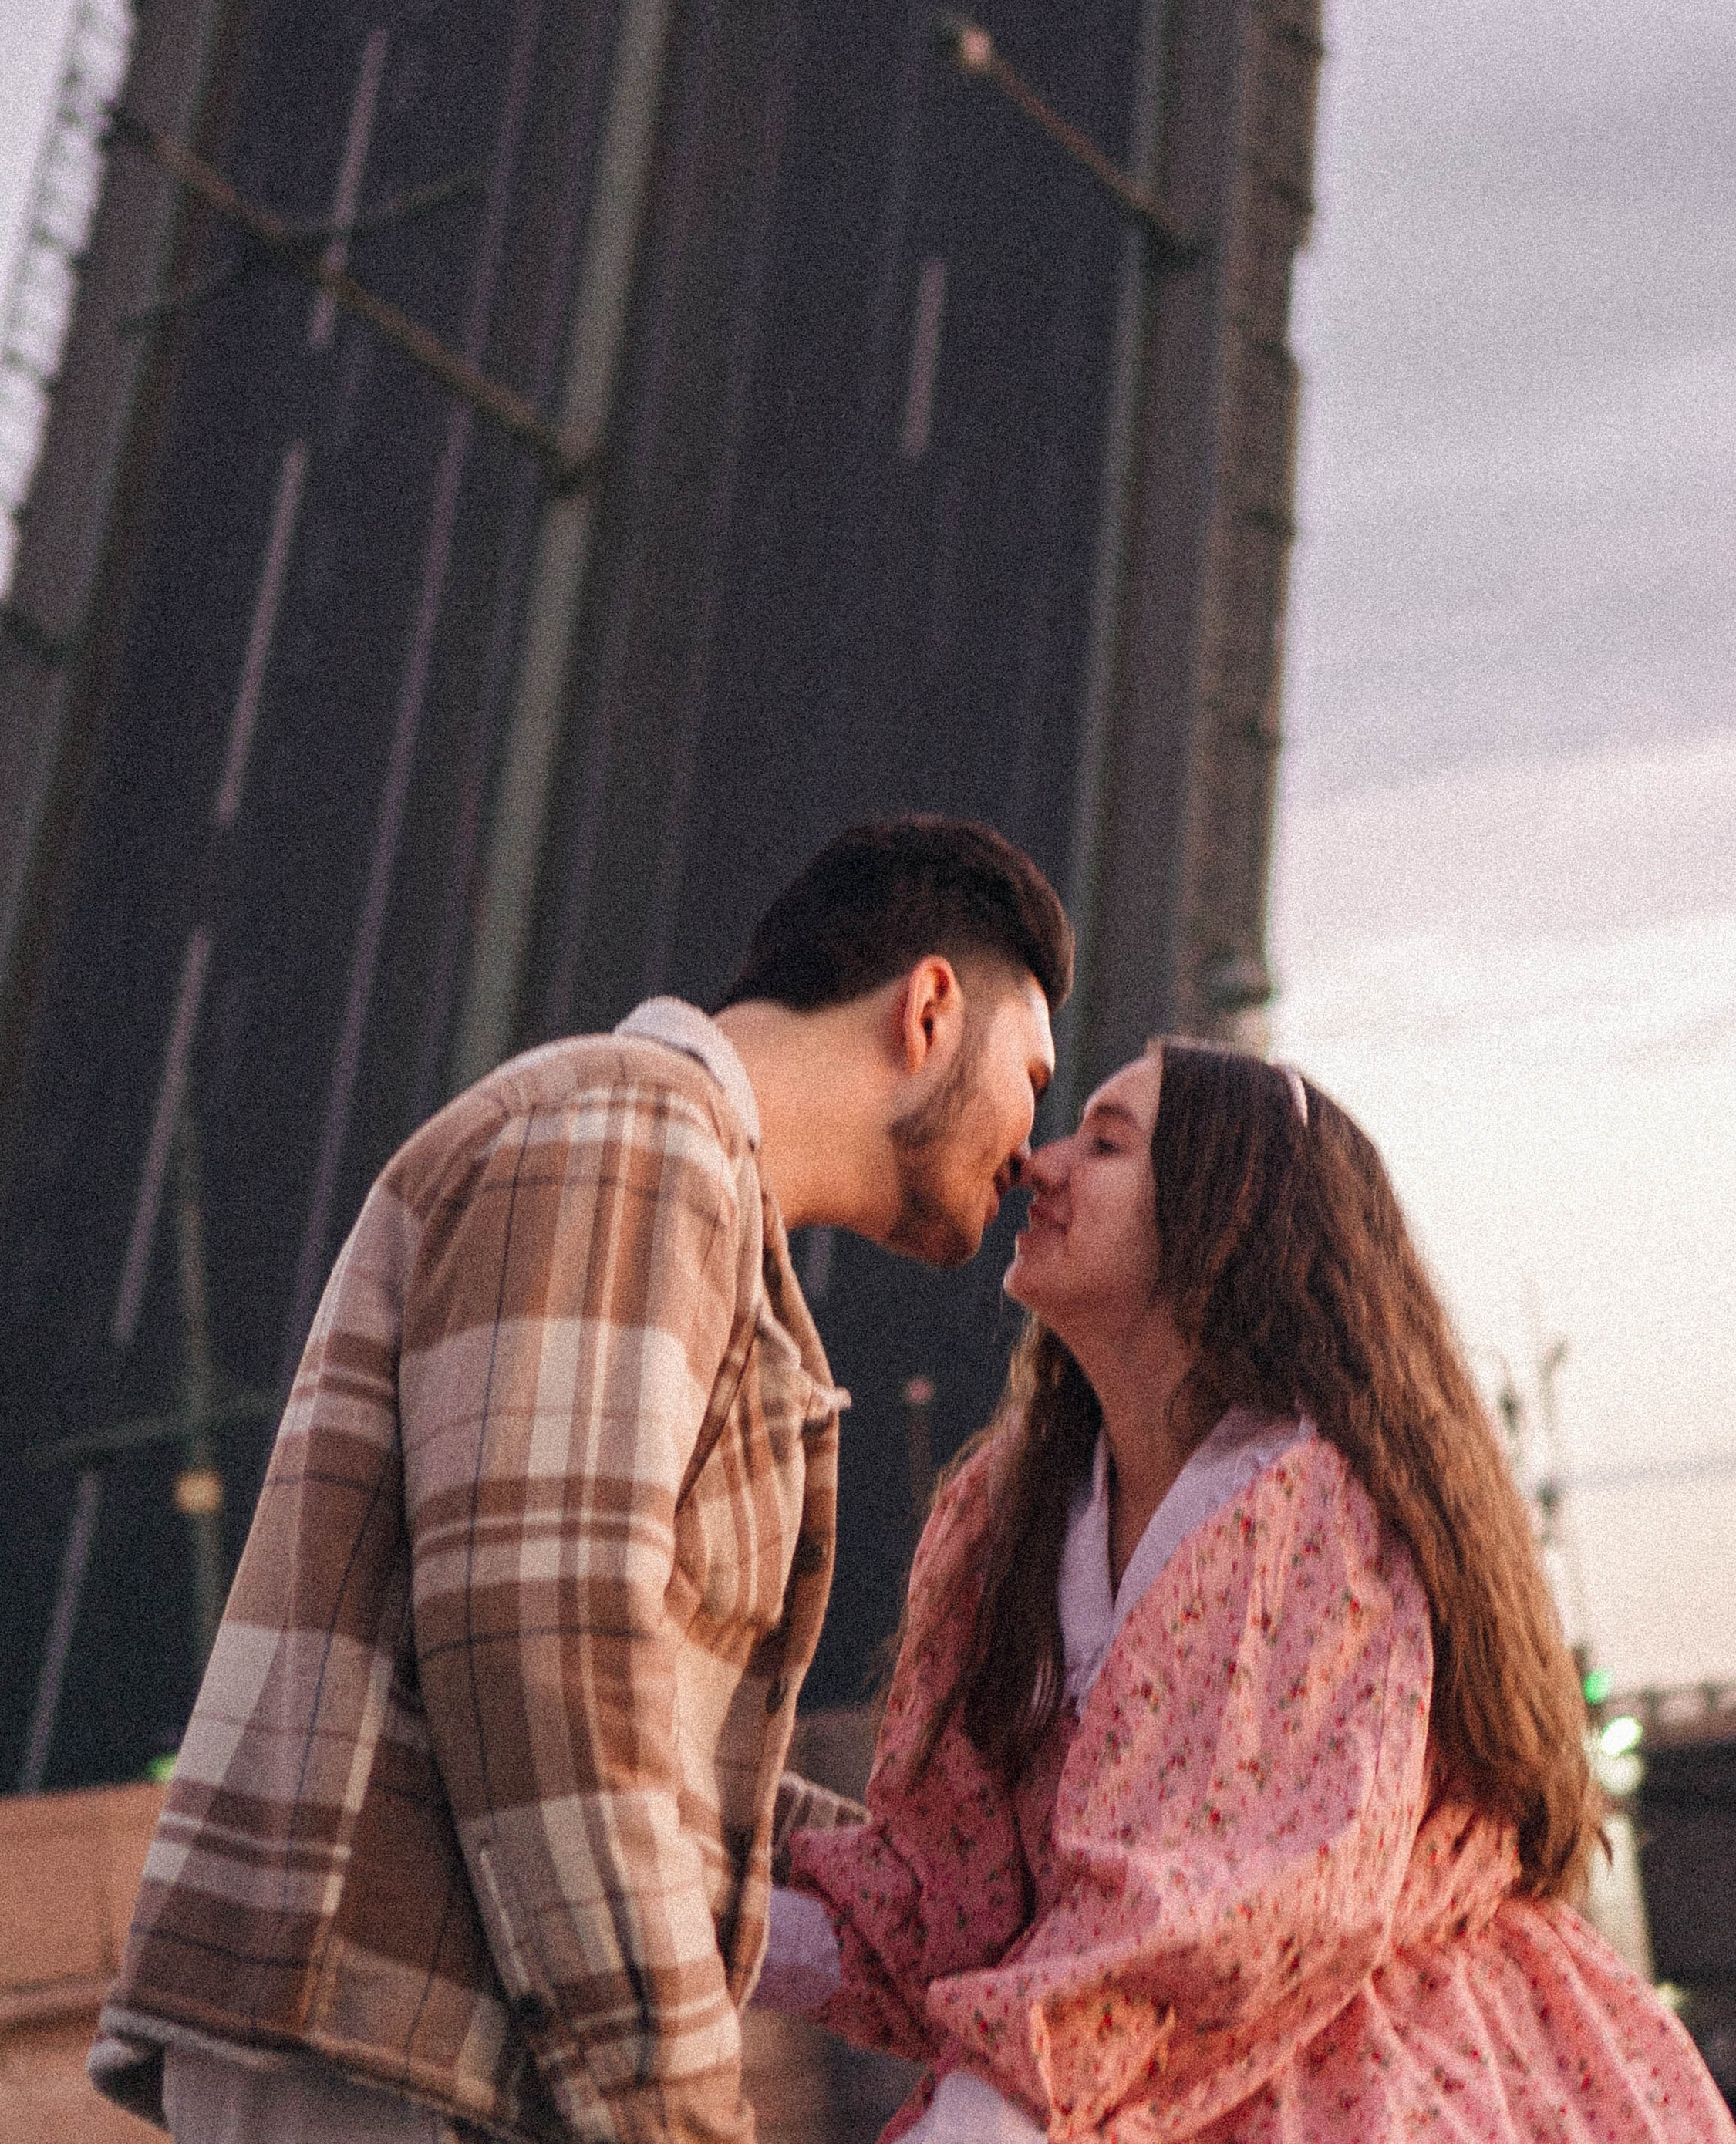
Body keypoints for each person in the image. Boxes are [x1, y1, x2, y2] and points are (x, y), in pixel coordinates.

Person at [90, 816, 1070, 2144]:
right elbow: (547, 1661)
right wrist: (672, 2117)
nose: (1033, 1147)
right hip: (400, 2050)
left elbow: (636, 1715)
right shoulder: (632, 1131)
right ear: (932, 1009)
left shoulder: (682, 1186)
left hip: (430, 2025)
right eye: (1034, 1075)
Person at [767, 1040, 1736, 2144]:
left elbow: (1243, 1905)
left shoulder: (1319, 1503)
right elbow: (953, 1902)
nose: (1042, 1163)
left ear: (1223, 1218)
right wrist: (689, 1929)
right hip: (1093, 2087)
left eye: (1109, 1143)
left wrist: (989, 2116)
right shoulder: (1002, 1516)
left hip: (1381, 2072)